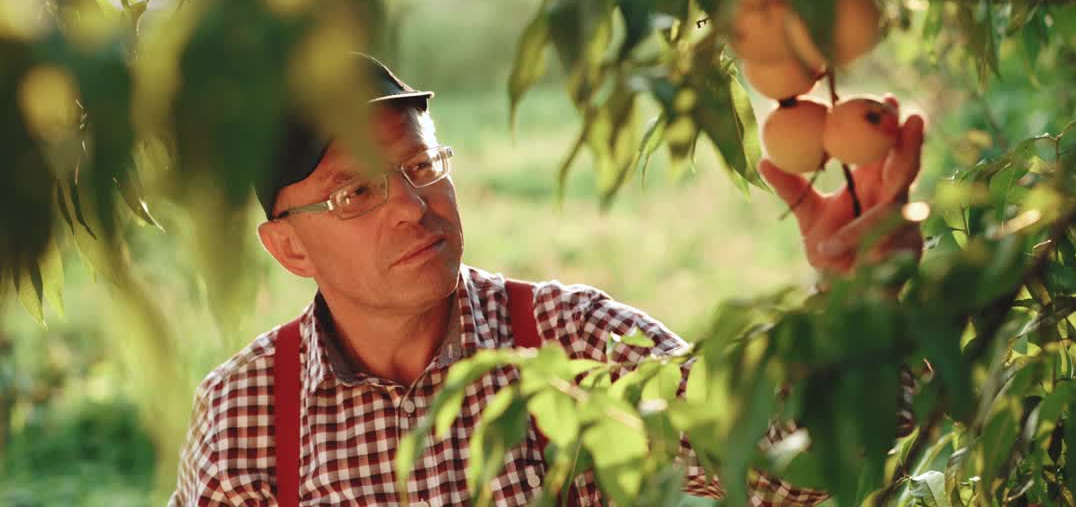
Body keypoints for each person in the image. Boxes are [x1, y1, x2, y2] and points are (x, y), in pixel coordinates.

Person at [167, 52, 925, 506]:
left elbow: (793, 477)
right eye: (358, 191)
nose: (412, 206)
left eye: (422, 166)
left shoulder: (572, 340)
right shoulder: (247, 414)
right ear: (290, 248)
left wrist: (864, 306)